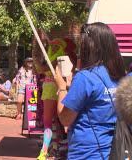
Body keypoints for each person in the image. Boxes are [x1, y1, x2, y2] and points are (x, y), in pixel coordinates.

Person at [54, 22, 125, 159]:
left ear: (90, 47)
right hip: (114, 151)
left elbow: (65, 119)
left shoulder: (85, 77)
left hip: (86, 153)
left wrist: (62, 87)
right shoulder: (120, 75)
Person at [34, 30, 74, 159]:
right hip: (54, 88)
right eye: (53, 46)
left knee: (52, 121)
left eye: (56, 46)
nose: (53, 48)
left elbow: (42, 69)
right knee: (56, 121)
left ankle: (46, 151)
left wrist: (36, 56)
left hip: (53, 88)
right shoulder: (58, 58)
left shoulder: (59, 58)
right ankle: (53, 148)